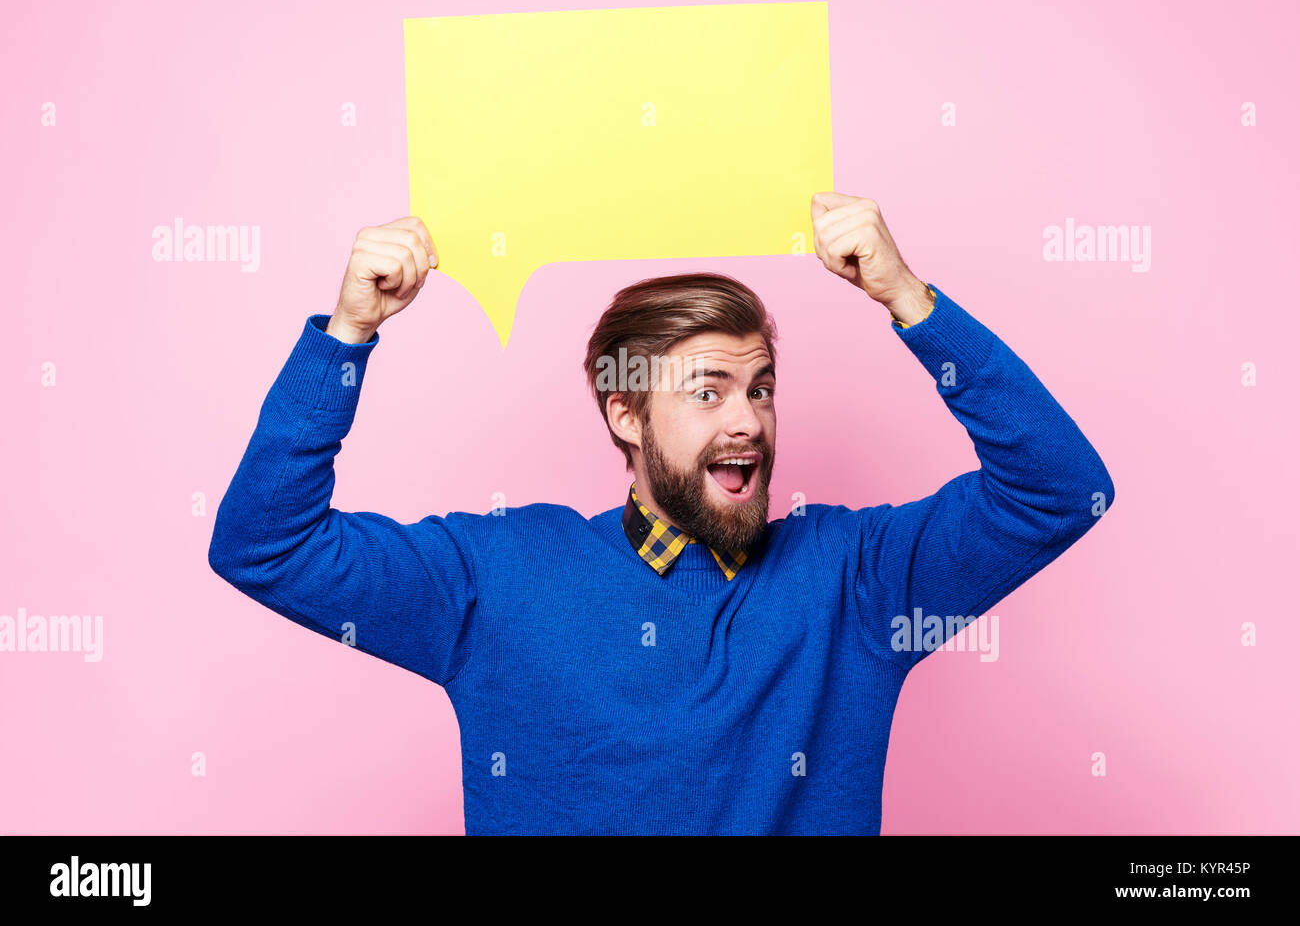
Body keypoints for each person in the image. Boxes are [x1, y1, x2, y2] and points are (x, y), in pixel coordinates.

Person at [208, 193, 1114, 835]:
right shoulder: (497, 576)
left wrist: (908, 300)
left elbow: (1060, 489)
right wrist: (349, 331)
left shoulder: (858, 580)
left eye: (761, 388)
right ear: (625, 413)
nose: (748, 420)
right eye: (709, 391)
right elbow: (265, 545)